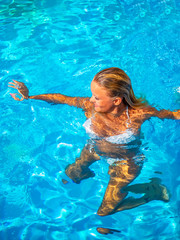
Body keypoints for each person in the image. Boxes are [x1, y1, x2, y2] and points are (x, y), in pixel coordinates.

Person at [9, 67, 180, 235]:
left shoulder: (137, 114)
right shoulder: (90, 107)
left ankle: (154, 192)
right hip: (94, 149)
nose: (91, 100)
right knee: (72, 173)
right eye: (92, 95)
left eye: (97, 97)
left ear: (116, 100)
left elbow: (173, 115)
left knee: (104, 212)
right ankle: (95, 181)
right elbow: (60, 98)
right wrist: (29, 97)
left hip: (125, 162)